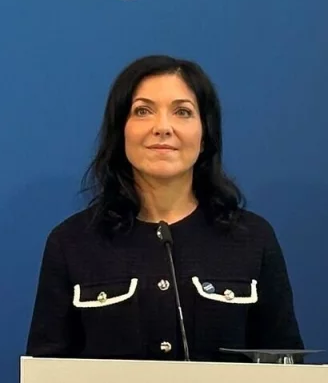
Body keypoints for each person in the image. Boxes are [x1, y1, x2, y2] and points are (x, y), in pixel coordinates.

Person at [25, 55, 303, 362]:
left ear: (205, 135)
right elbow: (46, 369)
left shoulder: (252, 238)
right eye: (143, 111)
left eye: (182, 112)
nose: (163, 127)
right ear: (121, 131)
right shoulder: (72, 242)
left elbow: (286, 363)